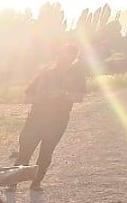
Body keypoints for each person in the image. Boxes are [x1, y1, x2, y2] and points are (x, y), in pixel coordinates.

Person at [15, 44, 86, 189]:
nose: (63, 59)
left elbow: (79, 97)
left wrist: (63, 94)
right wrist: (43, 96)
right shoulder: (45, 75)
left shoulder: (77, 77)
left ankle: (36, 182)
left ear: (73, 58)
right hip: (36, 118)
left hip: (58, 120)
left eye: (67, 56)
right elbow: (27, 97)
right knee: (25, 150)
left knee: (46, 152)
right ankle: (13, 181)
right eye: (61, 55)